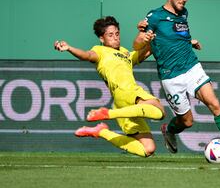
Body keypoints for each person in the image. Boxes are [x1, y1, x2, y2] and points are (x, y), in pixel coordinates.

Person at [133, 0, 220, 162]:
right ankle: (168, 130)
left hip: (191, 67)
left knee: (215, 104)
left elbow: (178, 35)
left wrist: (190, 41)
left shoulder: (184, 13)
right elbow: (136, 44)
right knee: (187, 121)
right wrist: (143, 39)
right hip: (171, 77)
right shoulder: (154, 16)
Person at [54, 16, 165, 157]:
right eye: (110, 35)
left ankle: (101, 131)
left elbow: (143, 53)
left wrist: (155, 38)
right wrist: (69, 48)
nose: (115, 38)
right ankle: (108, 114)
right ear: (102, 38)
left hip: (122, 104)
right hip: (128, 92)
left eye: (117, 34)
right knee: (159, 110)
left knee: (148, 149)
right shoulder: (100, 51)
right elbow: (87, 55)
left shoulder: (124, 52)